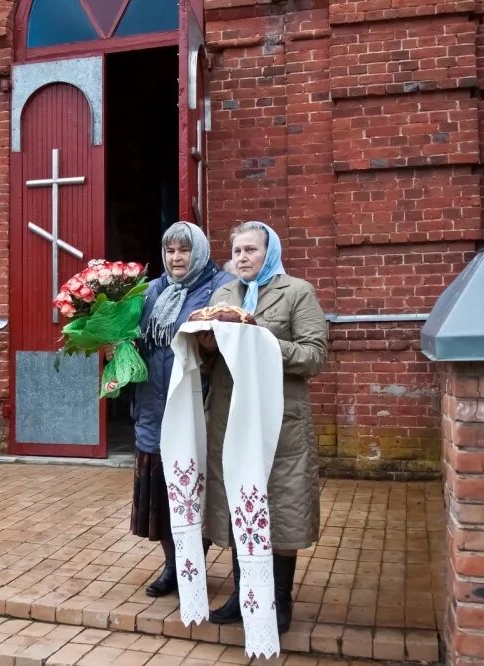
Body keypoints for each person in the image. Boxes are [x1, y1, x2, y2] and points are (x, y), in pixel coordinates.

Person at [199, 221, 328, 633]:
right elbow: (211, 359)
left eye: (250, 250)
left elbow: (313, 356)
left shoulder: (297, 292)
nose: (241, 258)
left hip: (279, 422)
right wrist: (203, 343)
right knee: (239, 501)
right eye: (236, 251)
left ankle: (278, 598)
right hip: (230, 416)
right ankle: (243, 595)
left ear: (269, 252)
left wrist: (259, 338)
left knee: (281, 504)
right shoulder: (223, 294)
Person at [130, 221, 236, 597]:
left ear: (200, 251)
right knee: (162, 493)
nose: (177, 258)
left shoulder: (219, 286)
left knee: (194, 491)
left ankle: (193, 565)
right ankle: (172, 566)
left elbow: (224, 346)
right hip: (152, 407)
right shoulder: (153, 289)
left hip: (196, 406)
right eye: (171, 250)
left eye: (184, 250)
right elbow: (136, 339)